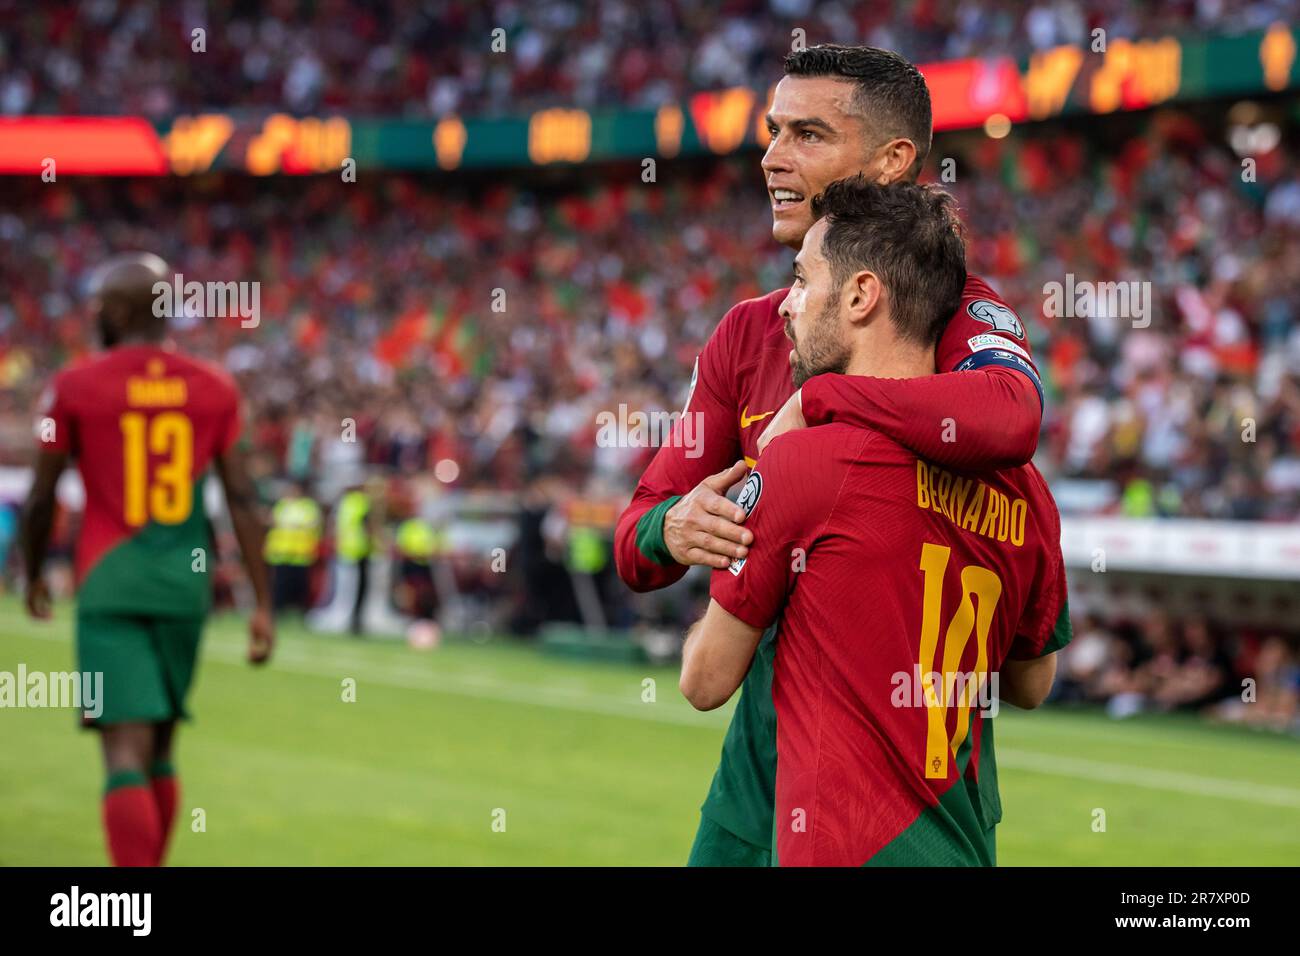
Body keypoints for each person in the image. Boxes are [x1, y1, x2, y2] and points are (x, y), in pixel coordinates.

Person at [613, 44, 1060, 866]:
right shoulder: (748, 331)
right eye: (774, 131)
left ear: (894, 161)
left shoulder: (957, 310)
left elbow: (1009, 417)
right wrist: (672, 529)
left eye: (808, 135)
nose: (774, 158)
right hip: (757, 795)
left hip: (901, 793)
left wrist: (816, 401)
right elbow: (639, 531)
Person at [21, 251, 274, 867]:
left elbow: (42, 491)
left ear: (124, 309)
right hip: (185, 587)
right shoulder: (213, 387)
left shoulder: (74, 387)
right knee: (161, 749)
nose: (95, 314)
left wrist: (31, 573)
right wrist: (263, 603)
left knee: (122, 752)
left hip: (110, 584)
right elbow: (241, 496)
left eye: (103, 304)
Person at [264, 478, 322, 614]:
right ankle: (278, 610)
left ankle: (301, 610)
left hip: (300, 553)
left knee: (300, 585)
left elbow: (313, 524)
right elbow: (272, 521)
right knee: (280, 584)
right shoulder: (282, 505)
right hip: (281, 552)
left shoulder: (308, 506)